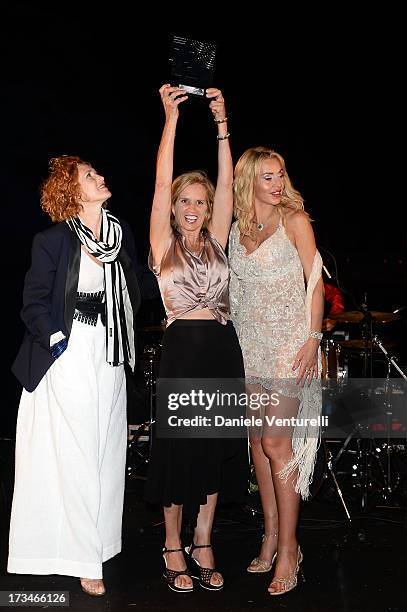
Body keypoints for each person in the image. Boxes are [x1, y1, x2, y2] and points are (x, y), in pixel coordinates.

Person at [9, 156, 141, 596]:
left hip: (111, 351)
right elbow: (34, 302)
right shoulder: (52, 240)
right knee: (81, 454)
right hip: (68, 353)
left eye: (98, 173)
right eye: (90, 176)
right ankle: (86, 561)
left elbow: (137, 289)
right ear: (72, 191)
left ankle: (99, 545)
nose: (101, 177)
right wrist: (57, 339)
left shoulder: (120, 237)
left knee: (106, 452)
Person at [144, 84, 248, 593]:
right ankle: (171, 544)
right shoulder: (162, 243)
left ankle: (202, 540)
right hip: (182, 353)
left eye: (200, 202)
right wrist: (171, 119)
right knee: (179, 450)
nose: (192, 207)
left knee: (212, 448)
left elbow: (227, 181)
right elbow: (161, 183)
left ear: (209, 209)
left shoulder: (218, 235)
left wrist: (222, 124)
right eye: (185, 201)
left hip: (223, 351)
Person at [228, 146, 324, 596]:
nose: (277, 183)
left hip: (290, 346)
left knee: (275, 442)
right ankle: (269, 536)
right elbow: (231, 291)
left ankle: (289, 548)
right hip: (249, 348)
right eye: (267, 176)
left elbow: (316, 279)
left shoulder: (295, 221)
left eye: (280, 174)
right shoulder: (237, 228)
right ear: (249, 181)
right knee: (256, 446)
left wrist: (313, 339)